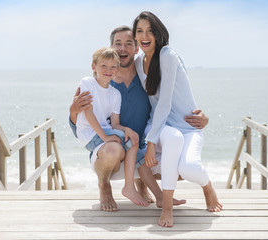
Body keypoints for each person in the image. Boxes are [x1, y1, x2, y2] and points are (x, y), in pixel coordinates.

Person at [69, 26, 209, 212]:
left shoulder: (146, 75)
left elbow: (169, 102)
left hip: (138, 143)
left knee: (179, 163)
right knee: (115, 148)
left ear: (136, 48)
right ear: (111, 47)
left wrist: (200, 118)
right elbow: (81, 125)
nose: (123, 48)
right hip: (111, 147)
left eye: (129, 44)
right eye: (117, 44)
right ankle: (105, 187)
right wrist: (72, 111)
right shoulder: (97, 81)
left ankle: (147, 187)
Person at [133, 11, 223, 227]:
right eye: (139, 31)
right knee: (172, 140)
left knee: (189, 168)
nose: (145, 35)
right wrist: (152, 138)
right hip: (160, 126)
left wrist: (152, 142)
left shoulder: (168, 56)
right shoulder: (137, 61)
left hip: (188, 126)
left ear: (158, 34)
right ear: (135, 36)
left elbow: (165, 101)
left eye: (150, 31)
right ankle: (166, 207)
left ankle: (208, 186)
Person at [76, 47, 150, 207]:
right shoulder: (87, 83)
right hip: (90, 134)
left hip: (106, 130)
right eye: (103, 66)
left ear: (117, 69)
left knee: (133, 139)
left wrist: (127, 130)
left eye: (113, 67)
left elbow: (115, 124)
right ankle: (122, 187)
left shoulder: (115, 94)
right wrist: (106, 137)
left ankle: (134, 187)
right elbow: (88, 114)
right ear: (93, 67)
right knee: (124, 145)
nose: (108, 70)